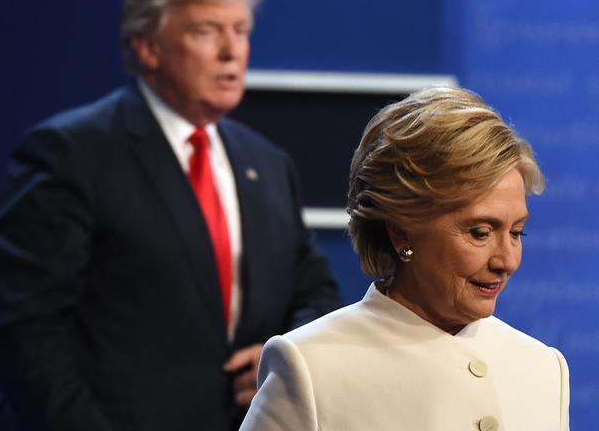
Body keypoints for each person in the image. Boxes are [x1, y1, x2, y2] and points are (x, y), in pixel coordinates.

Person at [0, 0, 339, 431]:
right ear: (148, 48)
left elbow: (315, 290)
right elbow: (24, 329)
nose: (232, 51)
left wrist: (282, 357)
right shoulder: (71, 151)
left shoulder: (266, 162)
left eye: (241, 30)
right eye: (207, 31)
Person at [241, 86, 570, 430]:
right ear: (402, 232)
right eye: (480, 233)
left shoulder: (544, 369)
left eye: (516, 233)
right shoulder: (310, 366)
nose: (506, 261)